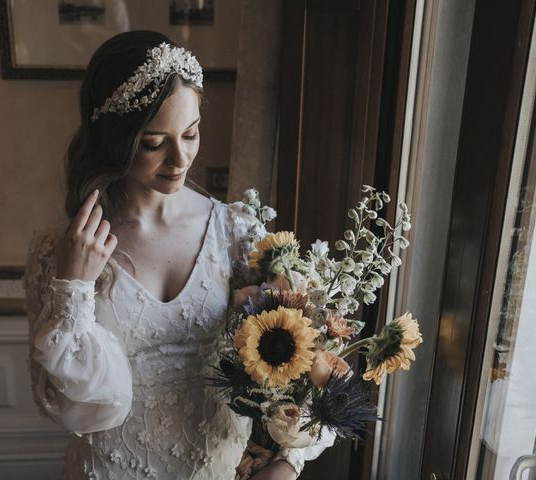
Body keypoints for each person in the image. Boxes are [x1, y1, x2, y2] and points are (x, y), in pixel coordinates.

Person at [23, 31, 334, 480]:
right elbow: (61, 404)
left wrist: (288, 460)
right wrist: (73, 287)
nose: (180, 158)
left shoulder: (237, 233)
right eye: (153, 143)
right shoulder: (58, 252)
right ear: (114, 138)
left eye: (190, 134)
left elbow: (305, 361)